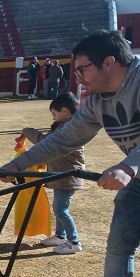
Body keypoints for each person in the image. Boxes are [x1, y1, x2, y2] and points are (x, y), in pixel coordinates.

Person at [0, 30, 140, 277]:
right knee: (118, 249)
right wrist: (20, 164)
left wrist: (128, 166)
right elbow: (64, 138)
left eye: (82, 70)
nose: (78, 78)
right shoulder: (97, 100)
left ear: (109, 62)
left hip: (138, 172)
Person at [21, 92, 85, 255]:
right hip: (62, 176)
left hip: (68, 177)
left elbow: (45, 143)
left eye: (54, 114)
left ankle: (74, 241)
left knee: (61, 209)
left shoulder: (68, 130)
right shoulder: (68, 127)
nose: (53, 118)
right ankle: (60, 236)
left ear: (64, 111)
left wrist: (28, 132)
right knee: (60, 208)